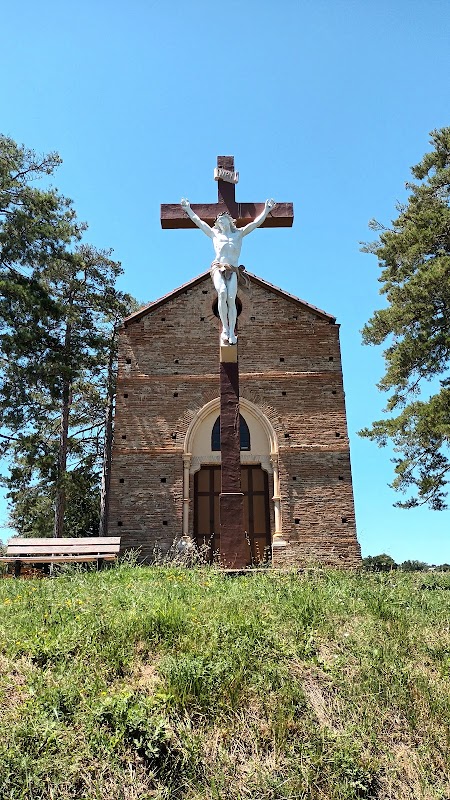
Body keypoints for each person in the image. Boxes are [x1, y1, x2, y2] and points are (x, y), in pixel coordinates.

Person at [181, 198, 276, 344]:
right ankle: (224, 328)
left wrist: (266, 210)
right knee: (222, 293)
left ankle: (232, 332)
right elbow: (199, 222)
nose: (221, 222)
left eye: (224, 219)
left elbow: (255, 223)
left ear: (229, 221)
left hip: (233, 269)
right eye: (219, 221)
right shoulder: (215, 234)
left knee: (231, 298)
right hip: (218, 267)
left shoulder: (238, 234)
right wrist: (188, 209)